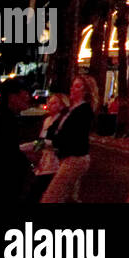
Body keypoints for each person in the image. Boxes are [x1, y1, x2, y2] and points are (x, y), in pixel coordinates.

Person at [41, 74, 98, 203]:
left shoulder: (84, 111)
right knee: (68, 196)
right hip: (65, 156)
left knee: (51, 197)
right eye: (73, 86)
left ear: (85, 91)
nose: (72, 89)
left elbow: (71, 135)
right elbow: (54, 130)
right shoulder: (69, 110)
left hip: (75, 157)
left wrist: (54, 141)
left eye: (78, 87)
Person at [24, 93, 69, 202]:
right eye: (49, 102)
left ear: (62, 106)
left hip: (55, 166)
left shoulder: (63, 121)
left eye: (54, 103)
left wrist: (36, 145)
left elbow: (56, 142)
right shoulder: (47, 120)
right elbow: (41, 142)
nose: (50, 105)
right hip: (44, 164)